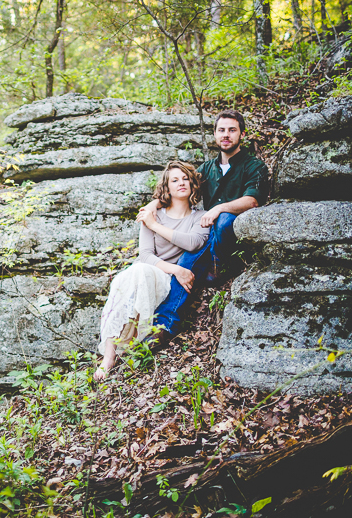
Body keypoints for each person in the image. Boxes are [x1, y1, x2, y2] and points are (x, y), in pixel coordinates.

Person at [138, 109, 270, 347]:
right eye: (222, 130)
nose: (226, 135)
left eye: (232, 130)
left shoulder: (254, 166)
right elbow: (180, 186)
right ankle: (164, 327)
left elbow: (252, 201)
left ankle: (219, 268)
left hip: (233, 242)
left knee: (223, 220)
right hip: (205, 241)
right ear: (215, 134)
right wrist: (152, 204)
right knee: (186, 261)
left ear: (242, 133)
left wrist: (219, 209)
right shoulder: (207, 169)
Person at [94, 161, 209, 381]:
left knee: (139, 273)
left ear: (193, 184)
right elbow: (145, 255)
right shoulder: (152, 214)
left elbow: (193, 243)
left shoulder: (199, 217)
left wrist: (154, 225)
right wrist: (176, 269)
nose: (181, 183)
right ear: (167, 187)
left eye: (185, 178)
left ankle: (134, 345)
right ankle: (108, 358)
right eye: (174, 180)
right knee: (128, 276)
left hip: (165, 281)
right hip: (150, 271)